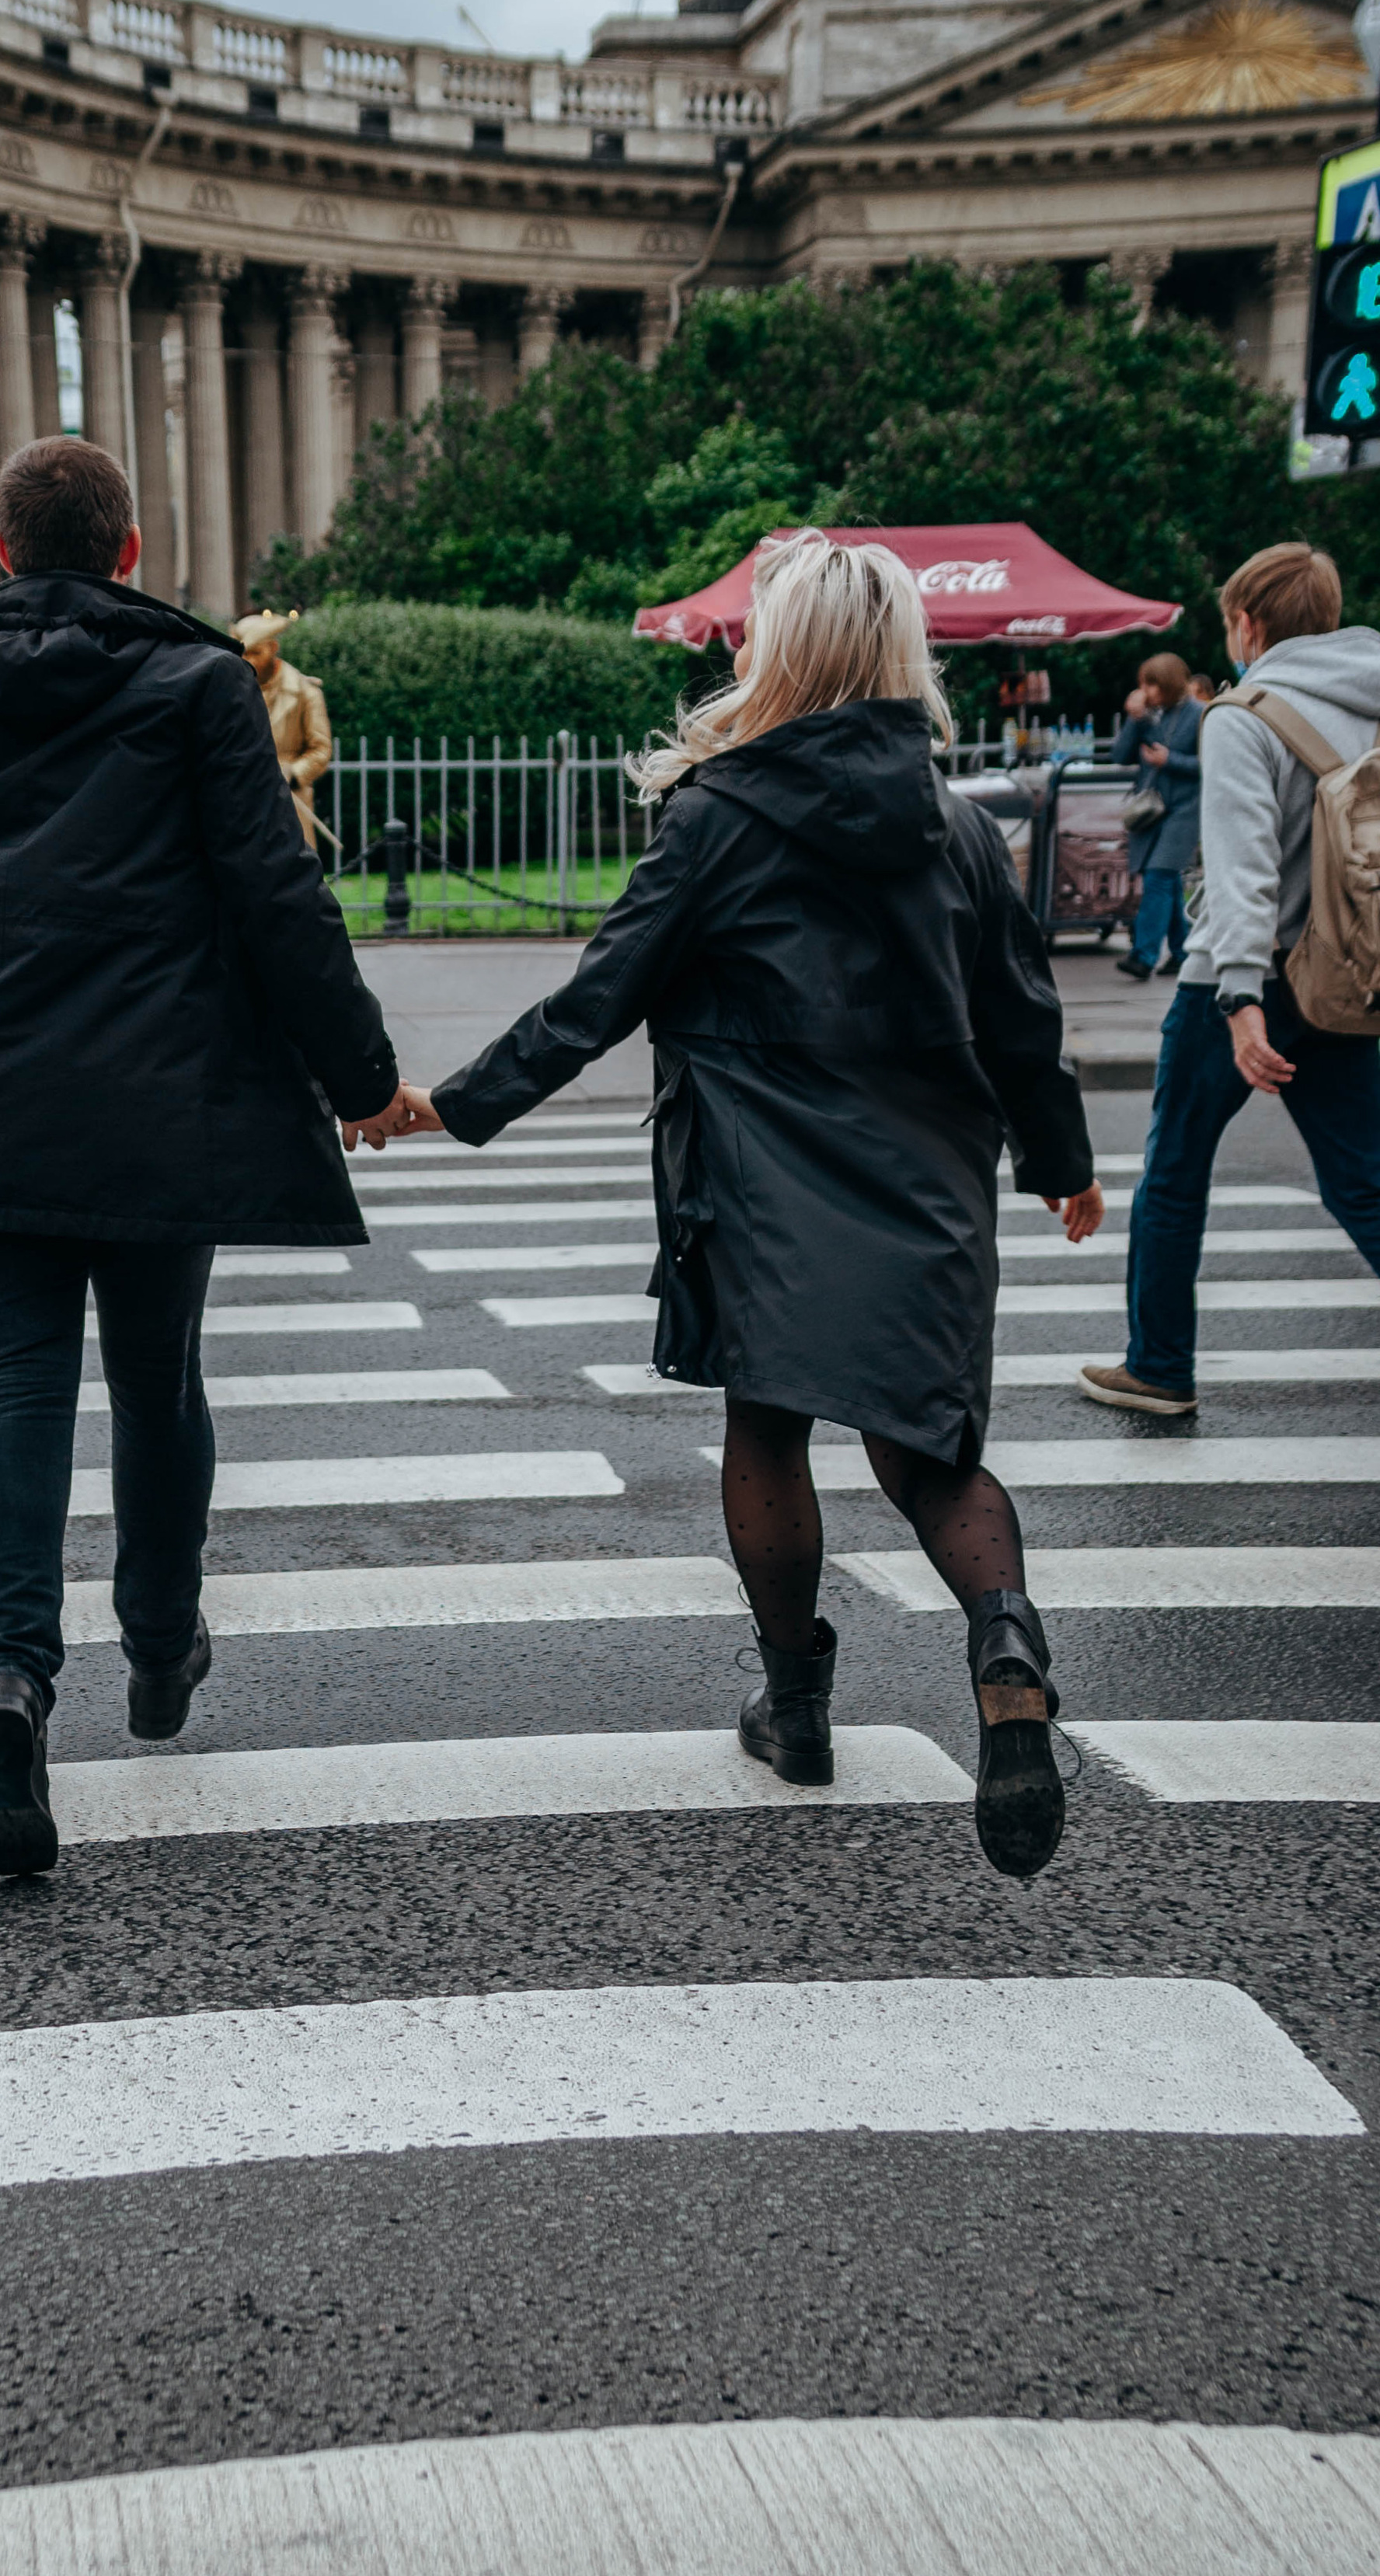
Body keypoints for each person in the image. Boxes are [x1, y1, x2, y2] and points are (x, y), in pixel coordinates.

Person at [386, 531, 1102, 1881]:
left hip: (761, 1177)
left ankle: (800, 1704)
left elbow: (600, 997)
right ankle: (1006, 1644)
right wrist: (1060, 1165)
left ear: (779, 652)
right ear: (899, 655)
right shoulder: (959, 829)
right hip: (925, 1179)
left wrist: (457, 1102)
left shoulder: (719, 815)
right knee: (930, 1453)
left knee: (767, 1426)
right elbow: (1025, 1026)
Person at [0, 437, 406, 1878]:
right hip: (157, 1093)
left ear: (1, 548)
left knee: (12, 1379)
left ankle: (8, 1678)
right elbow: (277, 895)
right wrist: (360, 1074)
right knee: (156, 1374)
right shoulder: (197, 685)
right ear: (128, 551)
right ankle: (158, 1637)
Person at [1082, 541, 1380, 1419]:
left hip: (1238, 981)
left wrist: (1242, 999)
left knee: (1175, 1168)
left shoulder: (1242, 716)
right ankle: (1155, 1361)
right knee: (1363, 1177)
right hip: (1345, 971)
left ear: (1246, 623)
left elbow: (1247, 868)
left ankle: (1158, 1365)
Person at [1111, 652, 1201, 979]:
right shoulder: (1150, 716)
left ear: (1169, 683)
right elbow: (1120, 756)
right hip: (1153, 810)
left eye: (1152, 684)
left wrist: (1171, 760)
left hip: (1185, 810)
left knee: (1159, 876)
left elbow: (1210, 764)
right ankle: (1182, 951)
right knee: (1169, 882)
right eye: (1143, 684)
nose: (1146, 691)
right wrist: (1135, 720)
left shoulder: (1200, 714)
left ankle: (1143, 955)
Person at [236, 607, 334, 849]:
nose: (248, 661)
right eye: (244, 654)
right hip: (240, 800)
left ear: (273, 649)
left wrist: (293, 773)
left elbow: (321, 750)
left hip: (289, 803)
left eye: (255, 653)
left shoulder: (305, 692)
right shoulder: (230, 691)